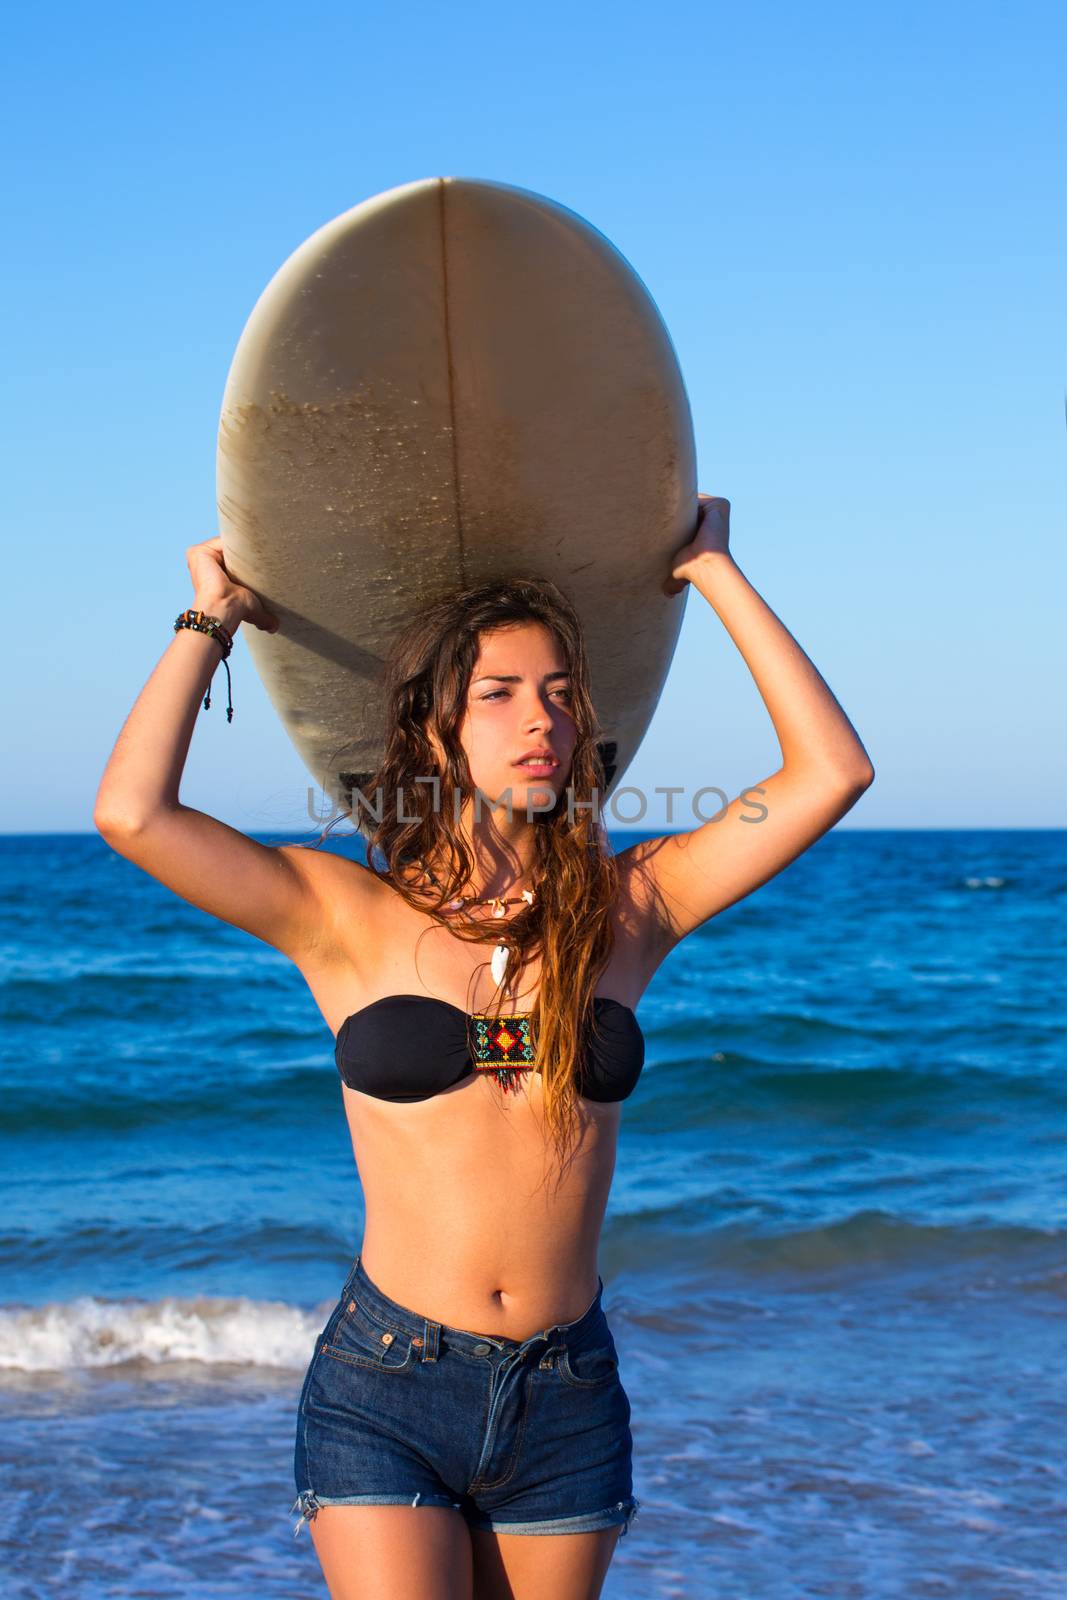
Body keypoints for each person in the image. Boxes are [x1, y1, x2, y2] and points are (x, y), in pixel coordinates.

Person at [94, 494, 874, 1600]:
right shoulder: (344, 915)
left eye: (560, 695)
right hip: (387, 1380)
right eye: (500, 694)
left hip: (565, 1390)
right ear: (435, 729)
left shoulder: (626, 910)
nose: (539, 720)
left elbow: (828, 773)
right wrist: (205, 620)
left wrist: (711, 575)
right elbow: (132, 813)